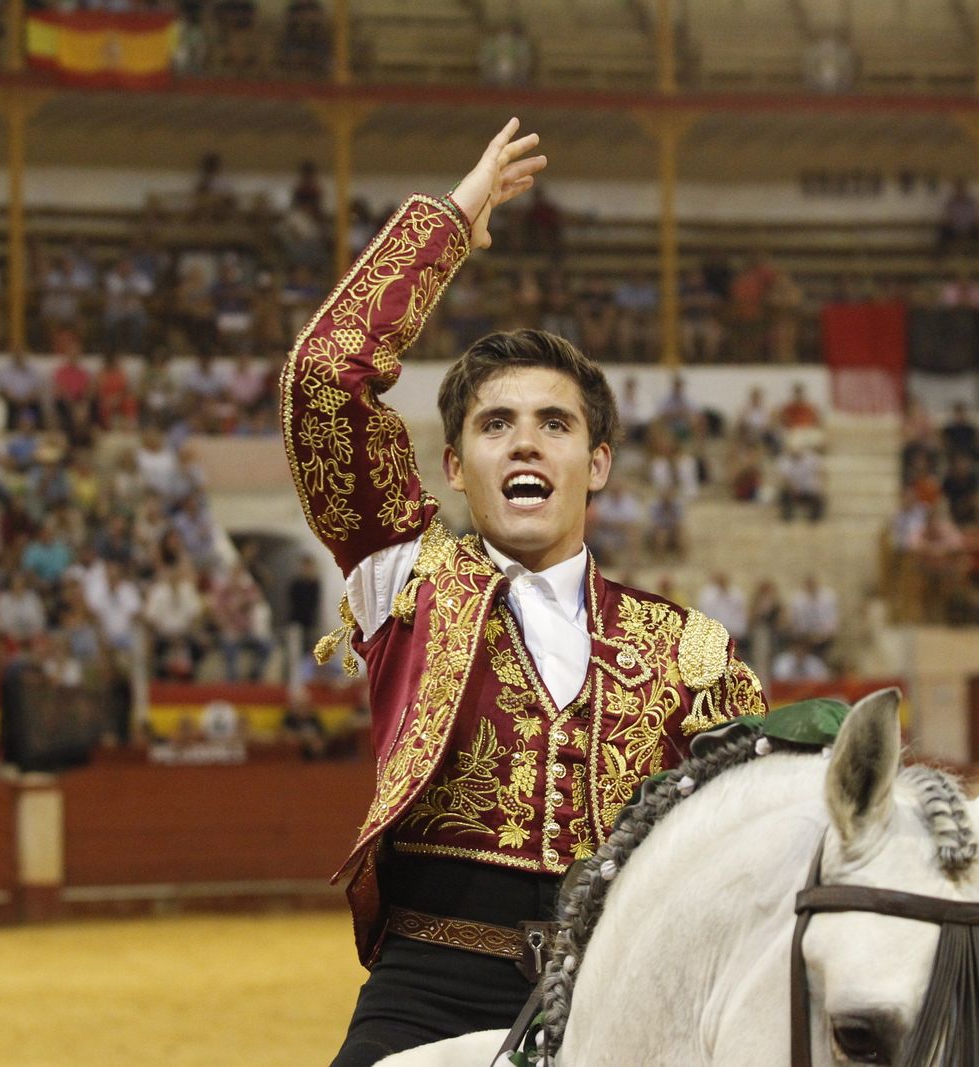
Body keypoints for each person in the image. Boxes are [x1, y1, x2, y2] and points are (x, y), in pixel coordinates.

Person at [284, 120, 766, 1066]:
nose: (525, 442)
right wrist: (452, 223)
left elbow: (754, 839)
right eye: (495, 423)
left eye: (555, 422)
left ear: (598, 463)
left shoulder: (687, 649)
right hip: (428, 988)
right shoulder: (405, 577)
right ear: (455, 467)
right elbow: (322, 380)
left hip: (618, 1001)